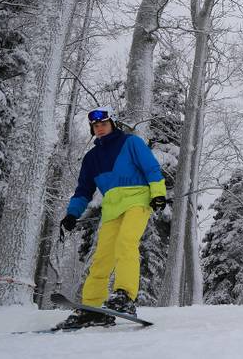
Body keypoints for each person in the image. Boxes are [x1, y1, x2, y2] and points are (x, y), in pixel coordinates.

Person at [56, 107, 167, 329]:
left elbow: (151, 167)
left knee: (126, 243)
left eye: (104, 124)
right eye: (96, 126)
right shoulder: (91, 158)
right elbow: (83, 190)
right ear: (92, 130)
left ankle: (124, 295)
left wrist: (158, 194)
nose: (100, 128)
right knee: (102, 257)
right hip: (112, 208)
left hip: (137, 199)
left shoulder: (131, 143)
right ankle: (92, 307)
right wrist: (72, 213)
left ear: (112, 124)